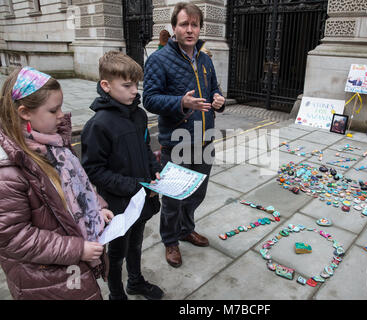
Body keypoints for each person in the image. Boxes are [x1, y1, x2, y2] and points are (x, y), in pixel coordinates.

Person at [0, 66, 113, 300]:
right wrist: (78, 249)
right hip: (47, 280)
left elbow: (78, 185)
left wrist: (98, 207)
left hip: (71, 268)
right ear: (25, 113)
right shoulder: (8, 169)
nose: (62, 115)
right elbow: (13, 237)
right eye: (53, 110)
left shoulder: (52, 141)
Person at [143, 2, 225, 268]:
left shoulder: (205, 59)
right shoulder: (158, 60)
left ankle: (186, 229)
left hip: (205, 137)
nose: (189, 30)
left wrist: (218, 100)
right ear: (174, 27)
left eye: (194, 24)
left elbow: (214, 89)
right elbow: (150, 99)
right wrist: (181, 102)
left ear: (200, 27)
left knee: (197, 194)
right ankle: (170, 241)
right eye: (183, 24)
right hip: (177, 141)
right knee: (173, 198)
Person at [81, 51, 164, 300]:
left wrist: (154, 170)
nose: (133, 91)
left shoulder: (138, 115)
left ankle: (136, 281)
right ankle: (116, 294)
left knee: (136, 243)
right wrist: (134, 185)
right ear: (106, 85)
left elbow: (146, 147)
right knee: (117, 253)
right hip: (118, 204)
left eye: (136, 85)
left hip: (142, 198)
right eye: (127, 85)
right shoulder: (98, 125)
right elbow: (93, 170)